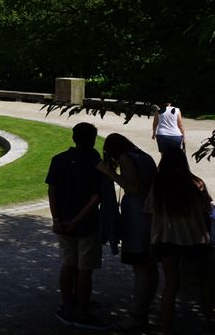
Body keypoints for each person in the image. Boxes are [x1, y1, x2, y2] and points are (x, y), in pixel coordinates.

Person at [46, 122, 109, 330]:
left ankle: (67, 305)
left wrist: (57, 219)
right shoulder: (96, 163)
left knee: (68, 264)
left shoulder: (58, 160)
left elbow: (52, 191)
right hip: (86, 225)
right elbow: (95, 199)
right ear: (92, 139)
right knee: (85, 270)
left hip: (63, 223)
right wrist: (76, 221)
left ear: (73, 138)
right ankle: (81, 310)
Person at [95, 133, 158, 331]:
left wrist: (108, 172)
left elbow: (133, 188)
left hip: (137, 215)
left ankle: (136, 315)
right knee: (149, 265)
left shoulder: (126, 158)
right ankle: (145, 309)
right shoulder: (143, 155)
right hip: (149, 213)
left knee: (139, 266)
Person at [148, 148, 213, 334]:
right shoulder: (196, 183)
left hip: (169, 238)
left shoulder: (158, 185)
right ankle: (208, 320)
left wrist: (153, 240)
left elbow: (155, 216)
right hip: (195, 238)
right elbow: (207, 209)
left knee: (170, 284)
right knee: (205, 281)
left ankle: (167, 326)